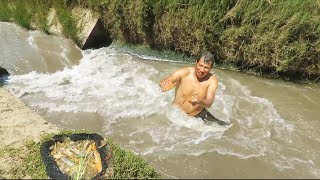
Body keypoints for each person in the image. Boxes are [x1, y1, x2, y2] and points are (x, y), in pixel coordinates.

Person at [159, 51, 229, 126]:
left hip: (197, 116)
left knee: (224, 126)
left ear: (210, 69)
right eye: (200, 65)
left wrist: (200, 101)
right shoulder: (185, 72)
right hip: (176, 114)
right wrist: (165, 84)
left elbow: (209, 103)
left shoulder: (212, 80)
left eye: (206, 68)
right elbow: (169, 80)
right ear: (196, 63)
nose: (202, 70)